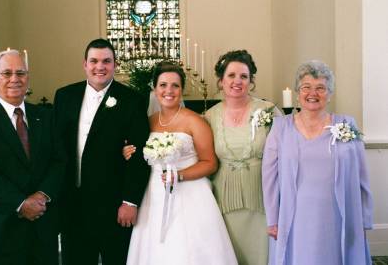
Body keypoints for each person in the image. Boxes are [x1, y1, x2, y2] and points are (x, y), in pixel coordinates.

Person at [123, 61, 237, 265]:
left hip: (191, 194)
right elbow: (139, 155)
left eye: (175, 85)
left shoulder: (195, 121)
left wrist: (180, 175)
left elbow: (210, 163)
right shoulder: (147, 121)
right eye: (163, 85)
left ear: (182, 89)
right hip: (154, 194)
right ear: (154, 88)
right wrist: (126, 151)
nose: (169, 90)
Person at [262, 60, 373, 265]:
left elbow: (361, 176)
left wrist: (365, 218)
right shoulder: (280, 128)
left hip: (337, 215)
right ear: (297, 92)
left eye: (321, 88)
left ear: (329, 94)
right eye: (306, 87)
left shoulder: (346, 125)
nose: (313, 93)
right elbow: (269, 178)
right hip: (295, 216)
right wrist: (273, 219)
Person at [0, 49, 64, 265]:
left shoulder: (46, 116)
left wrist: (42, 195)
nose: (14, 79)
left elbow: (59, 161)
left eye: (21, 73)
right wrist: (21, 203)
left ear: (28, 77)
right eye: (7, 73)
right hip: (0, 231)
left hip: (42, 230)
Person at [53, 38, 150, 265]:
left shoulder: (132, 100)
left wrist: (130, 201)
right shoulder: (65, 96)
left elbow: (140, 154)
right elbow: (56, 147)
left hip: (113, 205)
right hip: (72, 204)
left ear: (115, 64)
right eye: (94, 61)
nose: (100, 67)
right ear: (84, 64)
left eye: (106, 61)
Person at [204, 49, 281, 265]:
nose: (237, 81)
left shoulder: (268, 110)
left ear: (251, 81)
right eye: (231, 75)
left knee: (261, 253)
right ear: (221, 81)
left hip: (262, 195)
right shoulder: (210, 116)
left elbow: (285, 154)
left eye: (244, 76)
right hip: (225, 196)